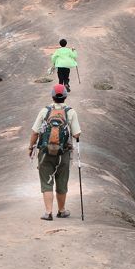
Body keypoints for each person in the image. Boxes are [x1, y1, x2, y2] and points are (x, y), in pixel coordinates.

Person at [29, 84, 81, 220]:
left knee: (47, 182)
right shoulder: (71, 112)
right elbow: (76, 134)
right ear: (65, 96)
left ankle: (48, 212)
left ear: (52, 96)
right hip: (63, 153)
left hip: (45, 152)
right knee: (62, 182)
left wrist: (31, 147)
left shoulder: (44, 111)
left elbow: (35, 132)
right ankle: (62, 210)